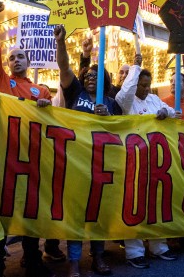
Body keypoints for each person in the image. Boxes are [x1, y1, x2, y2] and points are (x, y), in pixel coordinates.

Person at [0, 0, 59, 277]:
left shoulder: (42, 90)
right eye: (12, 58)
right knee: (1, 209)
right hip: (6, 157)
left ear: (29, 62)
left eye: (20, 57)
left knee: (33, 210)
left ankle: (32, 258)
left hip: (34, 159)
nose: (16, 60)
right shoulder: (2, 82)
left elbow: (53, 123)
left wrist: (46, 107)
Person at [55, 24, 119, 277]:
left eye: (96, 76)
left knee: (99, 214)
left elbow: (123, 132)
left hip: (102, 166)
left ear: (104, 80)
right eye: (87, 77)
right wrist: (61, 42)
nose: (90, 79)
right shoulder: (75, 94)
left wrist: (109, 118)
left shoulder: (111, 103)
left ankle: (99, 257)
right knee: (76, 214)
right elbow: (64, 68)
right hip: (76, 163)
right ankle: (73, 261)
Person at [115, 53, 178, 268]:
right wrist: (135, 66)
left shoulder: (153, 99)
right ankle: (134, 251)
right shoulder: (125, 101)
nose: (145, 89)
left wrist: (164, 112)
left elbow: (173, 113)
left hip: (156, 161)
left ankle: (158, 246)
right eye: (141, 85)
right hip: (133, 161)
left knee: (156, 203)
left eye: (147, 85)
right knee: (134, 205)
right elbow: (127, 91)